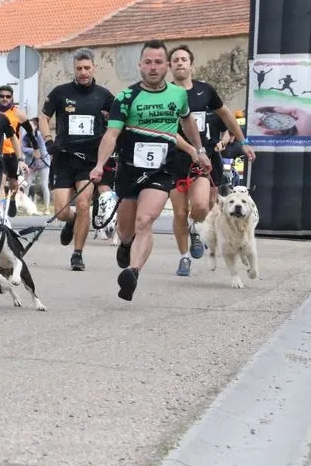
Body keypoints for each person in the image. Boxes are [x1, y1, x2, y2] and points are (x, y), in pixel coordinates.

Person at [90, 39, 211, 303]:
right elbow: (111, 134)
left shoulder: (178, 95)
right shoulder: (126, 97)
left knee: (145, 220)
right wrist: (99, 165)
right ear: (140, 65)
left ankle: (132, 272)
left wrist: (198, 150)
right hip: (130, 170)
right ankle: (125, 244)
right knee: (126, 229)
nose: (153, 67)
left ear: (166, 65)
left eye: (158, 62)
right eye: (148, 62)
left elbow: (187, 122)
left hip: (161, 170)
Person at [166, 45, 256, 277]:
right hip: (174, 158)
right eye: (175, 60)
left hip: (204, 158)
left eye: (184, 59)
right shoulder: (166, 93)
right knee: (179, 212)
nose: (179, 63)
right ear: (169, 66)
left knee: (202, 206)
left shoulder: (204, 91)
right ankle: (184, 257)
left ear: (191, 65)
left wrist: (243, 141)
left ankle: (195, 228)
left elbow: (226, 115)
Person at [38, 48, 115, 271]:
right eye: (79, 68)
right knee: (62, 212)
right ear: (74, 69)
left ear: (94, 68)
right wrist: (48, 140)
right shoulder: (60, 92)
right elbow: (43, 117)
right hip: (64, 158)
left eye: (87, 68)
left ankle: (77, 254)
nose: (83, 72)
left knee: (83, 204)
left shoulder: (104, 95)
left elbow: (117, 123)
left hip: (89, 160)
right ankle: (70, 221)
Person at [0, 84, 35, 217]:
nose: (4, 99)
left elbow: (30, 132)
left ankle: (11, 199)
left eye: (8, 96)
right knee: (0, 181)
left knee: (13, 182)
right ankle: (0, 211)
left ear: (12, 98)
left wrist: (36, 148)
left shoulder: (17, 113)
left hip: (12, 152)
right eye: (2, 96)